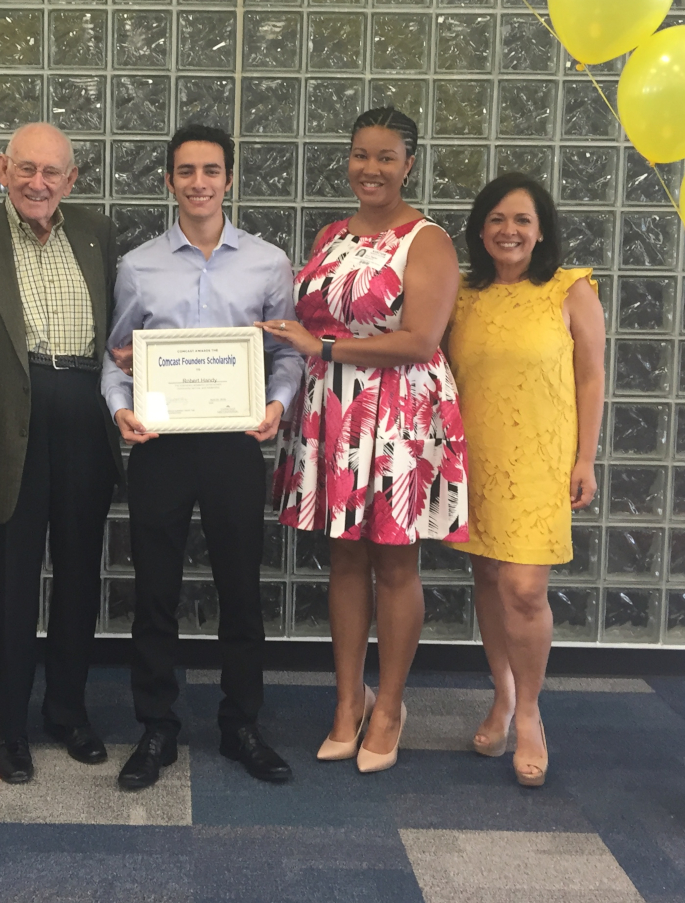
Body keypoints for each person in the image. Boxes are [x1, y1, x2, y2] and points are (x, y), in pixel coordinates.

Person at [259, 107, 467, 774]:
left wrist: (321, 345)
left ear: (410, 163)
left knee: (395, 562)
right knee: (343, 558)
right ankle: (348, 700)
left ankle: (391, 705)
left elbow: (419, 340)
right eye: (360, 155)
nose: (370, 168)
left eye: (385, 157)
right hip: (334, 411)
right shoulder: (330, 233)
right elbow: (298, 323)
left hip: (397, 413)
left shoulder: (426, 240)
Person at [102, 125, 301, 790]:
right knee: (154, 592)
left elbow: (287, 352)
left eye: (211, 170)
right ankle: (156, 724)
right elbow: (117, 356)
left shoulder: (269, 263)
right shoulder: (139, 264)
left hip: (236, 446)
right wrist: (118, 407)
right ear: (168, 181)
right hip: (159, 445)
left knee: (241, 592)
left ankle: (241, 723)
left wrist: (277, 403)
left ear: (229, 178)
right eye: (185, 171)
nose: (198, 182)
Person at [0, 123, 122, 784]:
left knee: (78, 579)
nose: (38, 183)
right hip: (4, 433)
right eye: (26, 169)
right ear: (1, 169)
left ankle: (67, 711)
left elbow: (121, 336)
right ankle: (10, 725)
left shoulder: (99, 236)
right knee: (8, 587)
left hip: (84, 418)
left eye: (53, 172)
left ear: (72, 179)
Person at [446, 173, 605, 788]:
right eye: (496, 220)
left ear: (541, 232)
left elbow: (591, 377)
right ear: (480, 230)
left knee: (523, 589)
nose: (508, 231)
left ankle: (532, 715)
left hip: (541, 461)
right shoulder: (462, 294)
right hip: (474, 458)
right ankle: (503, 695)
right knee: (487, 575)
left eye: (522, 221)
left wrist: (585, 459)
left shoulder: (570, 288)